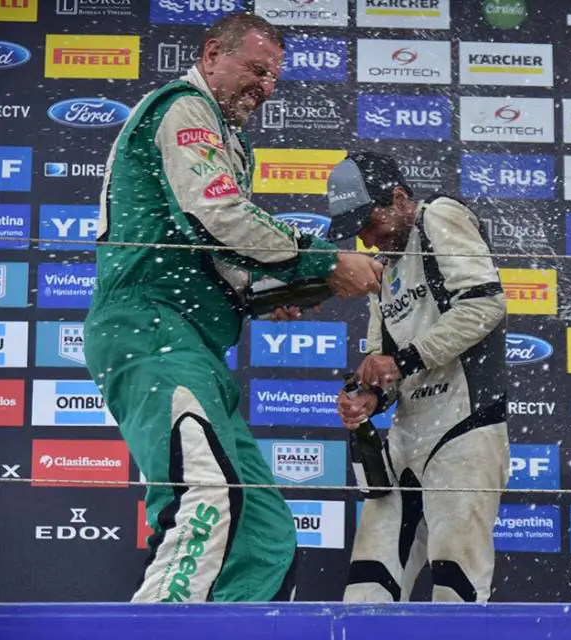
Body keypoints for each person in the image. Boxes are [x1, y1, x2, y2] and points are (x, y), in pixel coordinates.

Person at [83, 14, 382, 603]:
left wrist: (283, 289)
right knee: (206, 497)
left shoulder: (229, 136)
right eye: (256, 69)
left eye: (273, 78)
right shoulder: (185, 108)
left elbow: (224, 261)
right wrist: (325, 261)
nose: (265, 87)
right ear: (212, 53)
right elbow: (218, 219)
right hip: (150, 328)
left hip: (193, 343)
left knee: (265, 536)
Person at [328, 151, 509, 603]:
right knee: (368, 583)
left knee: (455, 583)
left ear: (399, 198)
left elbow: (485, 304)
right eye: (357, 230)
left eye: (370, 223)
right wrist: (369, 395)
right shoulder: (386, 264)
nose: (367, 239)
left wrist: (404, 361)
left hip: (464, 426)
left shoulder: (438, 215)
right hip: (407, 436)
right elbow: (383, 359)